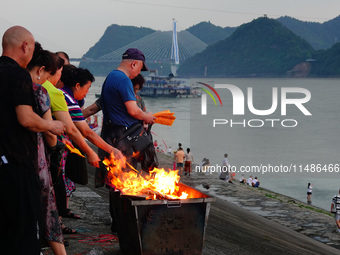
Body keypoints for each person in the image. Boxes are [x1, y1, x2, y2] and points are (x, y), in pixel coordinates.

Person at [0, 26, 65, 255]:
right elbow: (26, 119)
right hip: (17, 166)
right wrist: (52, 125)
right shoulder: (18, 74)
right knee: (25, 237)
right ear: (25, 46)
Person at [97, 48, 155, 233]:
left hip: (111, 134)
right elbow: (133, 110)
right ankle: (125, 225)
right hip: (123, 138)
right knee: (125, 181)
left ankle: (118, 222)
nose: (138, 73)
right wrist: (146, 116)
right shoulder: (123, 79)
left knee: (115, 181)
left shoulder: (110, 77)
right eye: (139, 68)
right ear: (133, 64)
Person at [26, 42, 67, 255]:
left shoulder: (11, 84)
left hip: (11, 159)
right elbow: (50, 135)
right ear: (41, 69)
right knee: (47, 210)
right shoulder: (39, 92)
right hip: (36, 159)